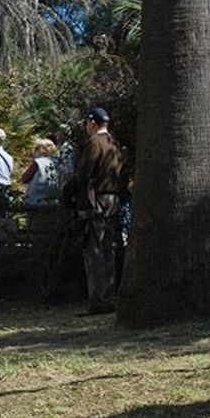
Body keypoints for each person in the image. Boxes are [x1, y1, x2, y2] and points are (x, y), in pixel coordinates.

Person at [73, 107, 125, 315]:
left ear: (92, 123)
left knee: (93, 248)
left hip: (97, 199)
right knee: (109, 247)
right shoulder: (114, 143)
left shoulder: (95, 143)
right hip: (113, 198)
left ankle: (98, 298)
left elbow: (84, 173)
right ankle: (109, 293)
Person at [21, 138, 60, 209]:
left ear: (41, 150)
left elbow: (24, 179)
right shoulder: (57, 162)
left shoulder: (37, 162)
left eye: (36, 149)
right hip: (52, 201)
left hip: (35, 201)